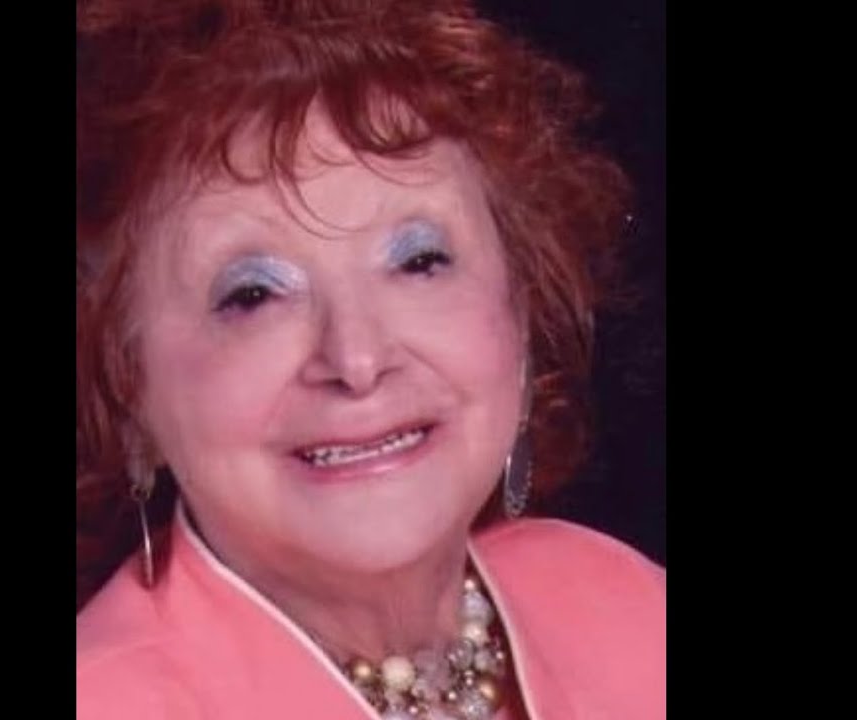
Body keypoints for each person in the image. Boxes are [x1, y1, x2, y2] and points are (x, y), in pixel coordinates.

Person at [76, 1, 665, 717]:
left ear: (521, 308)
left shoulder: (620, 602)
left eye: (419, 261)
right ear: (125, 388)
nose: (356, 359)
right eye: (254, 295)